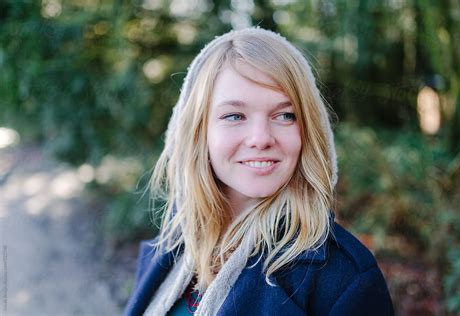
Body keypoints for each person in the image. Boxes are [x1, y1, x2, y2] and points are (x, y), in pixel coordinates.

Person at [124, 27, 394, 316]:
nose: (261, 137)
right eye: (234, 116)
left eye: (284, 115)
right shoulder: (168, 248)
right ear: (199, 131)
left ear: (308, 130)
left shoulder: (344, 279)